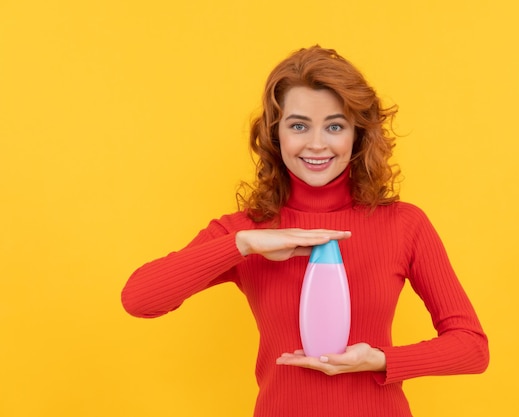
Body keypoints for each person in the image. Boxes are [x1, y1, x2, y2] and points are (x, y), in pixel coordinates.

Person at [121, 45, 489, 417]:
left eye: (334, 126)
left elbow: (472, 348)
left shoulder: (405, 225)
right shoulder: (246, 231)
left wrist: (379, 360)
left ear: (357, 135)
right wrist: (242, 245)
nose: (316, 144)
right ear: (275, 134)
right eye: (299, 125)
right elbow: (139, 299)